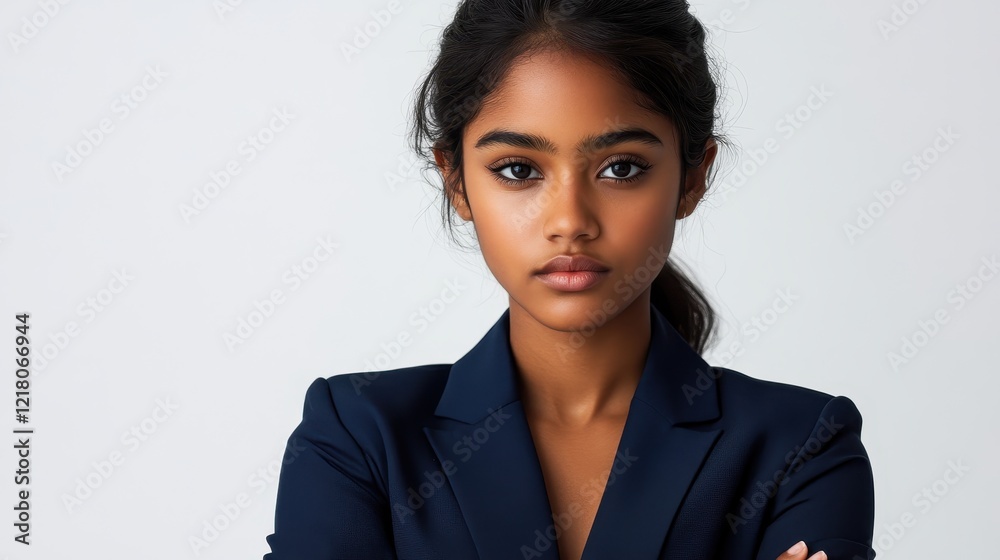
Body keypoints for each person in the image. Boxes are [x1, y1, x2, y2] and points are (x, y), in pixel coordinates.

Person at [263, 1, 876, 559]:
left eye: (622, 168)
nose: (569, 222)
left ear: (693, 177)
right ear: (456, 182)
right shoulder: (357, 439)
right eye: (518, 170)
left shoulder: (802, 447)